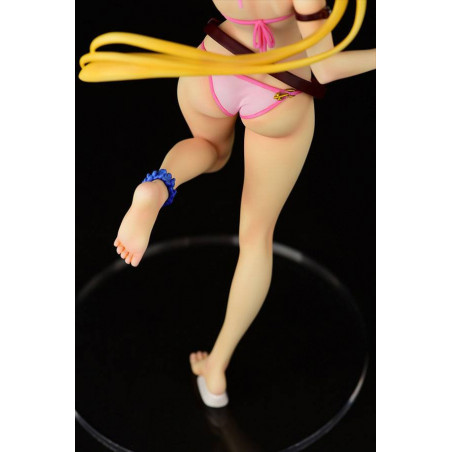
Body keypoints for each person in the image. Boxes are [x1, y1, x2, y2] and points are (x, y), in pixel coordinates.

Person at [81, 0, 376, 407]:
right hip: (279, 88)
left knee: (209, 148)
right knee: (255, 238)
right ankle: (216, 367)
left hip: (213, 65)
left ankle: (158, 186)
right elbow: (325, 67)